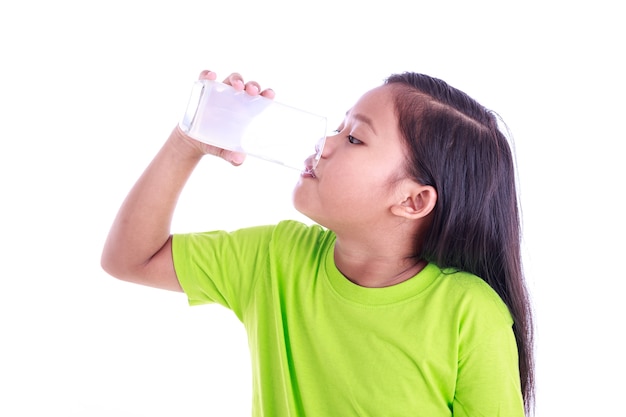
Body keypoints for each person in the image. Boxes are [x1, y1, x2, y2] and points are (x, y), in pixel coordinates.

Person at [101, 69, 535, 416]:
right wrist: (185, 144)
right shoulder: (275, 258)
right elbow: (129, 260)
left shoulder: (469, 313)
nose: (323, 144)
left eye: (353, 138)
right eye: (339, 128)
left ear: (413, 200)